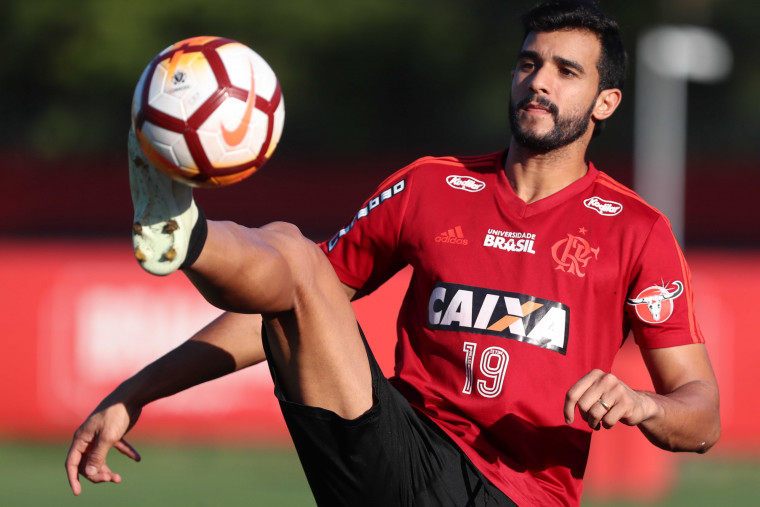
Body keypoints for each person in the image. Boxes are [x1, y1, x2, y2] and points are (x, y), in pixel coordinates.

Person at [65, 1, 720, 505]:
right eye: (529, 63)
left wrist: (643, 404)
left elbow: (702, 415)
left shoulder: (636, 229)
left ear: (606, 102)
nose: (538, 81)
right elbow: (286, 302)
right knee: (296, 257)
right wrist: (138, 389)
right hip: (397, 452)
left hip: (513, 495)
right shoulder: (432, 185)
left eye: (565, 70)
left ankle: (188, 232)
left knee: (296, 263)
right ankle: (184, 229)